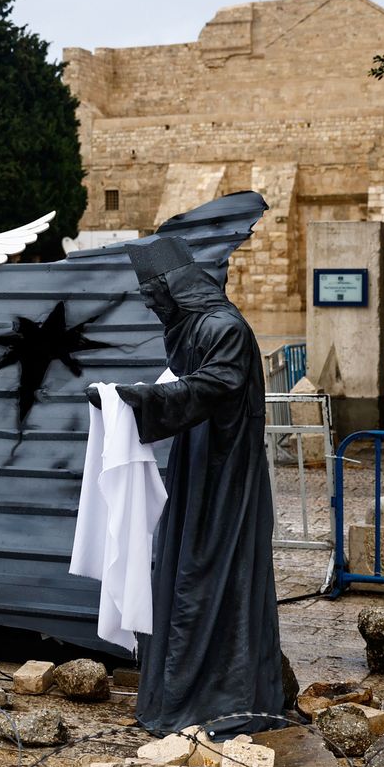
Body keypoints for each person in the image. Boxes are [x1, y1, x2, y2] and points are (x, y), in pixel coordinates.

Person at [103, 233, 285, 737]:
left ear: (173, 286)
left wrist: (139, 401)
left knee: (212, 576)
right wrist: (126, 401)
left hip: (226, 475)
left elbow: (213, 386)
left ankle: (217, 703)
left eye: (151, 293)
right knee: (188, 570)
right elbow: (183, 383)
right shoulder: (197, 328)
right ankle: (180, 696)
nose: (148, 303)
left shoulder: (222, 327)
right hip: (200, 465)